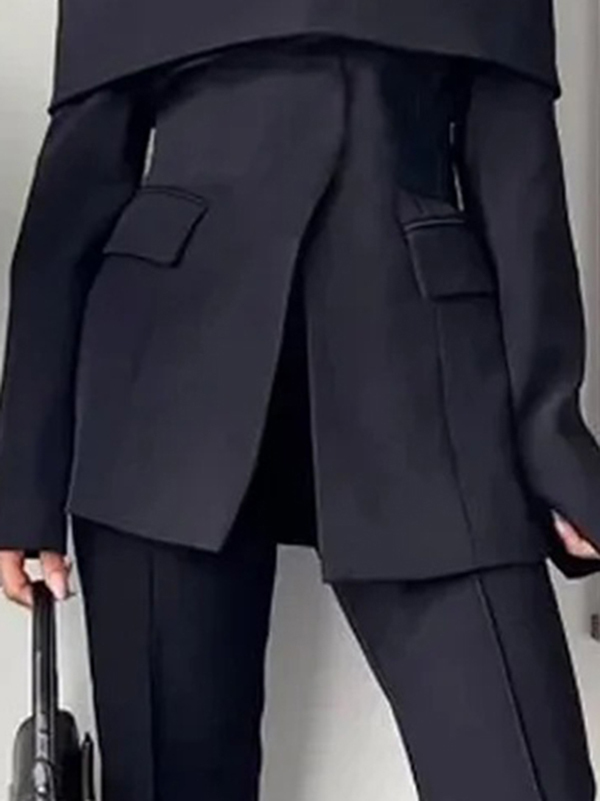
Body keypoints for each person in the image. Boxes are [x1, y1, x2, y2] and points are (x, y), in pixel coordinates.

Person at [1, 1, 600, 798]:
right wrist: (26, 483)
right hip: (159, 398)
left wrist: (551, 438)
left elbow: (519, 178)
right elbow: (67, 207)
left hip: (426, 380)